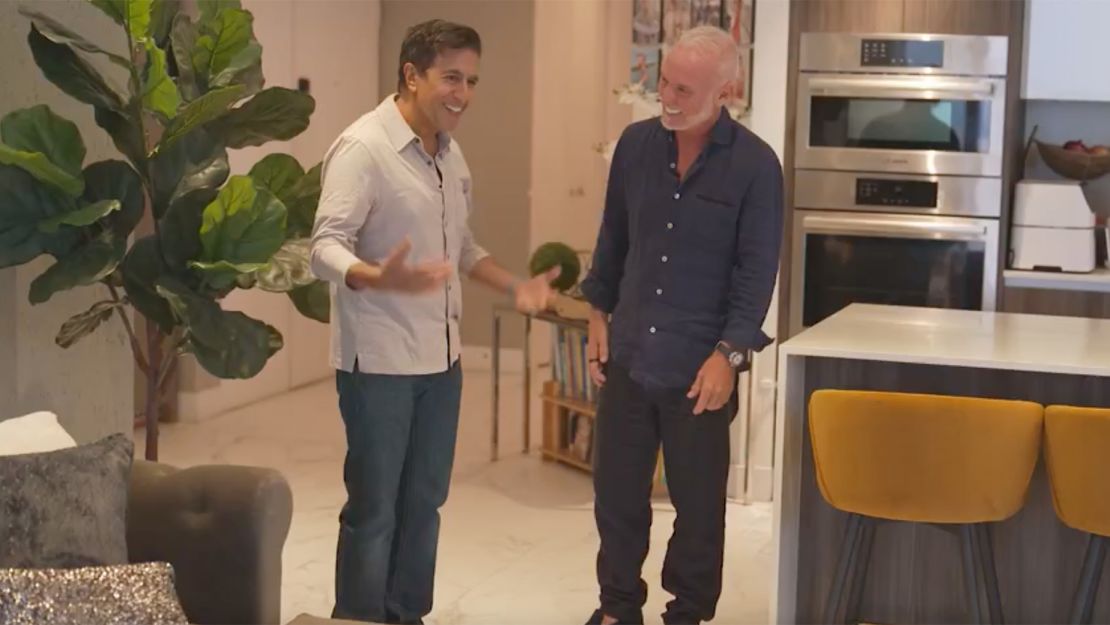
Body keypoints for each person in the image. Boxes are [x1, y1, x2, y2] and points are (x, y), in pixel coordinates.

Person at [309, 19, 558, 624]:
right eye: (452, 78)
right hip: (380, 365)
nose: (463, 93)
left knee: (425, 502)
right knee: (376, 508)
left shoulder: (448, 152)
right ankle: (360, 616)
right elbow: (323, 246)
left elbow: (463, 249)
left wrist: (516, 284)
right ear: (412, 75)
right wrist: (374, 275)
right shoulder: (363, 149)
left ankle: (406, 614)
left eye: (471, 80)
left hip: (440, 363)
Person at [579, 25, 784, 625]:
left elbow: (756, 273)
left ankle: (687, 614)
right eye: (664, 82)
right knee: (617, 499)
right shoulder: (635, 145)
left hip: (702, 366)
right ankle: (617, 608)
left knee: (697, 510)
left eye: (685, 89)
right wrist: (597, 314)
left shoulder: (755, 166)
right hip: (632, 351)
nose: (668, 97)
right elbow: (612, 238)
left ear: (728, 90)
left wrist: (731, 354)